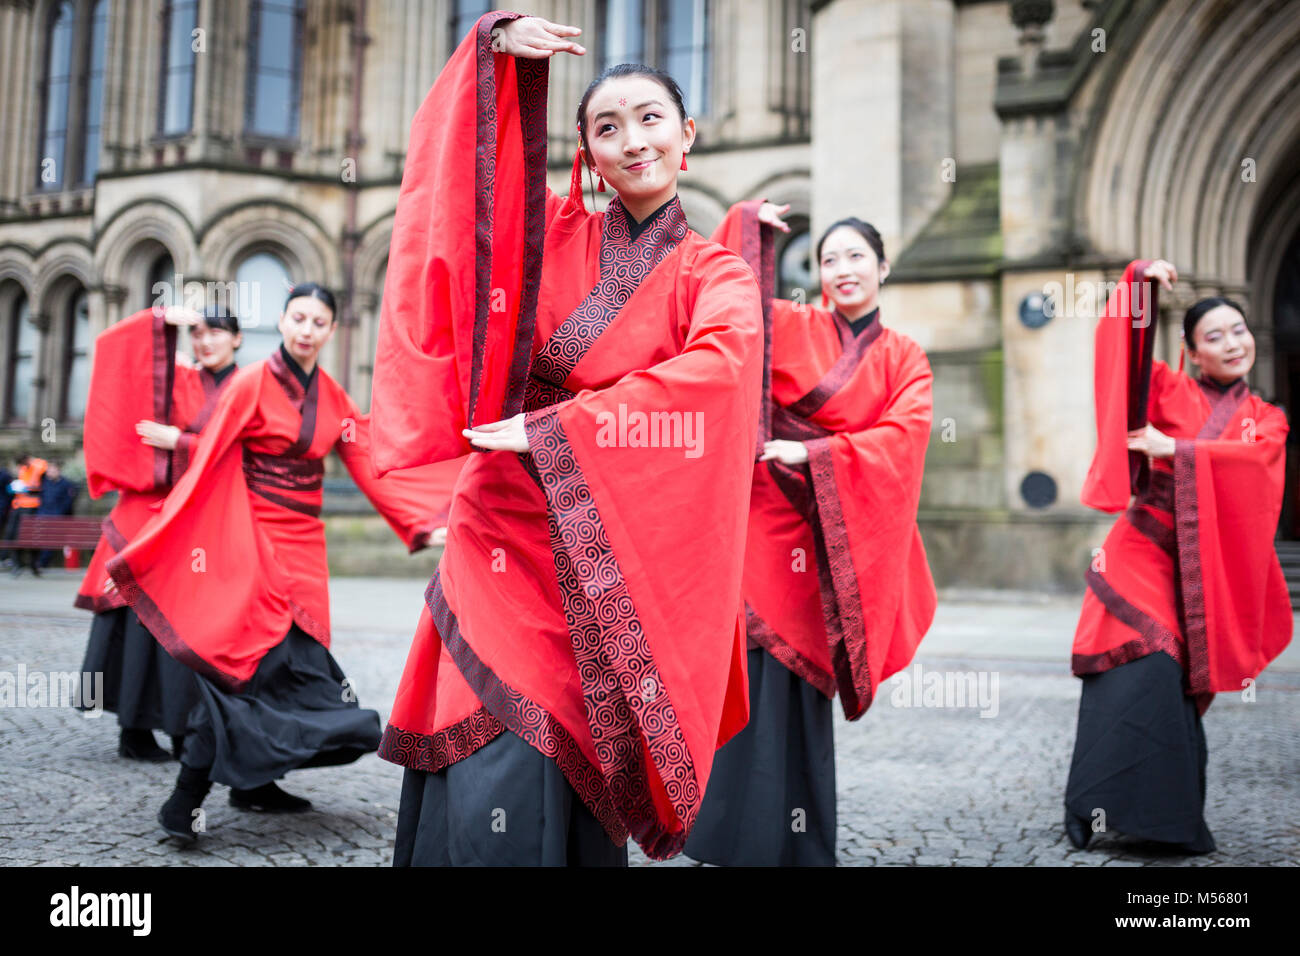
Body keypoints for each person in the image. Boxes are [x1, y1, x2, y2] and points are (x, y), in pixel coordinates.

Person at [371, 12, 765, 865]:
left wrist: (556, 428)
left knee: (568, 746)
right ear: (585, 150)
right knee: (490, 738)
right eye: (607, 126)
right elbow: (468, 195)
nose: (632, 140)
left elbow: (719, 376)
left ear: (687, 134)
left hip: (609, 553)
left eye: (650, 118)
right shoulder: (551, 238)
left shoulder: (715, 273)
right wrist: (492, 61)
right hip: (500, 527)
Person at [106, 283, 448, 841]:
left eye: (318, 321)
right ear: (283, 322)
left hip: (304, 550)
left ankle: (256, 783)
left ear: (331, 331)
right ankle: (185, 800)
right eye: (298, 318)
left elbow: (369, 460)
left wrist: (419, 522)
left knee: (299, 671)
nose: (307, 330)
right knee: (243, 673)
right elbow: (211, 451)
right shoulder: (250, 383)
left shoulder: (333, 398)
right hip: (251, 544)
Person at [681, 202, 937, 865]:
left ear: (882, 267)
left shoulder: (906, 356)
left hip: (834, 539)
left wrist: (819, 457)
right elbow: (737, 309)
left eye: (857, 257)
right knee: (752, 679)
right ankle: (733, 838)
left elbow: (902, 440)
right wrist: (747, 226)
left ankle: (794, 844)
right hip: (766, 530)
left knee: (800, 697)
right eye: (829, 259)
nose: (843, 270)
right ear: (816, 273)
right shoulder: (794, 325)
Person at [1064, 258, 1293, 853]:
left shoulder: (1265, 420)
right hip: (1141, 553)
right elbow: (1121, 354)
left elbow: (1255, 468)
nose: (1231, 343)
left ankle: (1163, 821)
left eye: (1238, 330)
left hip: (1203, 573)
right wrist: (1137, 285)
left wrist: (1177, 448)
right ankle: (1101, 808)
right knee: (1143, 667)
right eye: (1213, 336)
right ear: (1192, 353)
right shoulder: (1171, 388)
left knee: (1173, 687)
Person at [76, 304, 242, 760]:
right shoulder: (182, 380)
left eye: (217, 333)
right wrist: (158, 319)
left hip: (203, 521)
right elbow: (119, 361)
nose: (205, 342)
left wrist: (181, 442)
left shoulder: (246, 388)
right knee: (136, 623)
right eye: (198, 333)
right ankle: (134, 729)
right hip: (151, 516)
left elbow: (243, 450)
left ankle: (182, 728)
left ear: (238, 339)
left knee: (182, 629)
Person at [1, 453, 47, 571]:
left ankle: (32, 564)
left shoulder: (38, 465)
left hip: (32, 507)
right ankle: (13, 561)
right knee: (12, 533)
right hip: (18, 505)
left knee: (28, 536)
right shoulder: (23, 468)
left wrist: (28, 487)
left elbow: (40, 480)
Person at [34, 459, 80, 571]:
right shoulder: (44, 482)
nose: (50, 472)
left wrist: (59, 514)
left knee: (50, 540)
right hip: (42, 516)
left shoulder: (66, 484)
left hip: (56, 517)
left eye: (53, 469)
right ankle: (36, 563)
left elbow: (68, 502)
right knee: (37, 539)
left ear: (58, 470)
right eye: (49, 470)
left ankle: (42, 563)